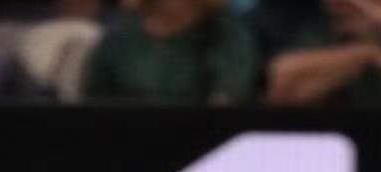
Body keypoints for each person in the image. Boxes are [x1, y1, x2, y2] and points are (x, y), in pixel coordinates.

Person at [80, 0, 259, 104]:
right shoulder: (120, 35)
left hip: (200, 136)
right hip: (124, 134)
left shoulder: (224, 33)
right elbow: (94, 96)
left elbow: (231, 91)